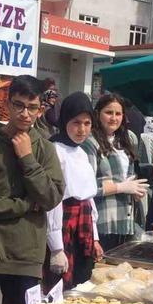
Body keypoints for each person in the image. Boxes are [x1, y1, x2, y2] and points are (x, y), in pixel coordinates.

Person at [0, 75, 64, 304]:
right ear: (8, 105)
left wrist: (27, 159)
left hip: (27, 259)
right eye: (18, 105)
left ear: (40, 110)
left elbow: (51, 197)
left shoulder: (45, 149)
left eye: (32, 107)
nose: (24, 114)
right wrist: (23, 205)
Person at [44, 92, 104, 289]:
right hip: (63, 224)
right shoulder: (54, 150)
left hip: (83, 225)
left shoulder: (83, 152)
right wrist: (56, 248)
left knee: (81, 281)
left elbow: (89, 198)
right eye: (76, 123)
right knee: (59, 285)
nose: (82, 130)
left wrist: (94, 238)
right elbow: (52, 201)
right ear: (65, 121)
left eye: (87, 124)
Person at [83, 93, 149, 249]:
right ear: (98, 113)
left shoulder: (125, 142)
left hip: (126, 224)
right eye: (109, 112)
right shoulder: (89, 144)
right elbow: (86, 188)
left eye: (118, 114)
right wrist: (121, 187)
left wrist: (136, 191)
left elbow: (129, 180)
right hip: (102, 225)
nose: (114, 118)